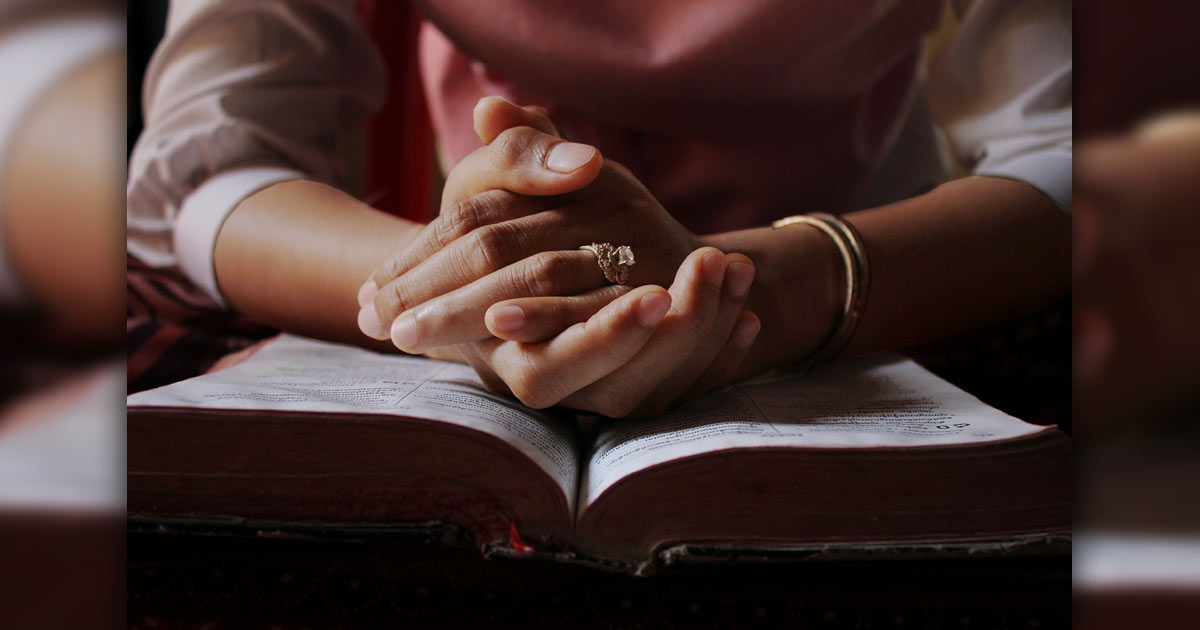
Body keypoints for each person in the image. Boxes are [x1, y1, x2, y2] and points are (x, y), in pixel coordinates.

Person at [128, 0, 1070, 417]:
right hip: (472, 288)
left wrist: (765, 294)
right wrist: (453, 284)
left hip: (886, 283)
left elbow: (1091, 154)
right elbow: (213, 167)